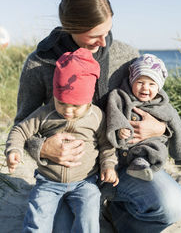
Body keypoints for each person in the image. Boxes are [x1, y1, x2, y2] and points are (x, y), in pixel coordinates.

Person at [13, 0, 181, 232]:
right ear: (70, 26)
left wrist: (160, 128)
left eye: (108, 31)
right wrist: (43, 148)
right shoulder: (39, 63)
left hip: (121, 166)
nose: (104, 42)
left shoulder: (126, 55)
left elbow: (157, 103)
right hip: (68, 174)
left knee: (171, 205)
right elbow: (23, 122)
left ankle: (115, 214)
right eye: (94, 35)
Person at [6, 48, 118, 233]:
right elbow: (20, 130)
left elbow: (107, 145)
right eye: (61, 102)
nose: (68, 110)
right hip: (48, 182)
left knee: (89, 217)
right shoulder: (46, 113)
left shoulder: (96, 116)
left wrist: (108, 166)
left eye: (75, 106)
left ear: (89, 99)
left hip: (85, 182)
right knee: (37, 220)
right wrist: (14, 150)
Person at [106, 53, 181, 181]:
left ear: (159, 87)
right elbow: (114, 112)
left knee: (158, 149)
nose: (145, 87)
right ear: (131, 81)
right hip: (120, 151)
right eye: (140, 82)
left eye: (152, 84)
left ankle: (141, 165)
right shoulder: (120, 96)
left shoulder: (164, 107)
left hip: (148, 149)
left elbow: (178, 129)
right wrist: (120, 127)